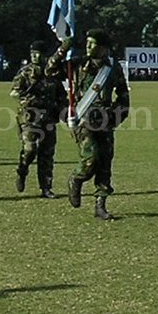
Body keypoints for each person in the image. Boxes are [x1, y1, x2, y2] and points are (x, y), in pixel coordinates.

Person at [46, 29, 130, 220]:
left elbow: (123, 95)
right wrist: (62, 49)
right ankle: (76, 178)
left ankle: (100, 205)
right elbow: (49, 71)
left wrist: (116, 116)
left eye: (93, 44)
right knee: (90, 159)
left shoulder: (113, 68)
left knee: (105, 164)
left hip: (105, 122)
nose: (88, 47)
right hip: (83, 120)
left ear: (103, 48)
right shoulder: (77, 64)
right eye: (88, 43)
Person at [9, 40, 67, 198]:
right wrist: (27, 99)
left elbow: (62, 96)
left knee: (47, 154)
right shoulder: (25, 72)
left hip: (48, 119)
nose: (35, 56)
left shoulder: (52, 74)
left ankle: (46, 187)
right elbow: (14, 92)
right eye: (32, 53)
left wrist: (64, 111)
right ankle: (22, 170)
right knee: (30, 149)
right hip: (30, 119)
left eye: (38, 53)